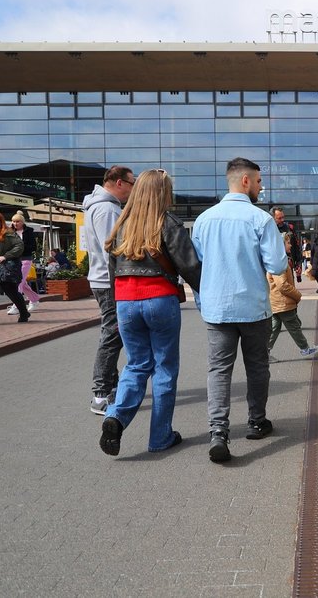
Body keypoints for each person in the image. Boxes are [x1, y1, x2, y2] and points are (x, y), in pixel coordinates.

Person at [98, 168, 201, 456]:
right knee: (164, 367)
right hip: (159, 298)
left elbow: (112, 271)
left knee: (136, 364)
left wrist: (115, 308)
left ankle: (116, 416)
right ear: (163, 192)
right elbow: (190, 266)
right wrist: (207, 293)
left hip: (125, 302)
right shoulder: (168, 222)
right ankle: (160, 437)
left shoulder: (122, 223)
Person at [192, 157, 287, 464]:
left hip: (217, 309)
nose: (261, 187)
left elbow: (197, 265)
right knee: (257, 366)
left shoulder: (204, 220)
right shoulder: (260, 220)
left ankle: (218, 432)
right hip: (253, 307)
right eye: (258, 181)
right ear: (245, 181)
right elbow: (277, 265)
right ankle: (257, 422)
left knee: (219, 370)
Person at [82, 165, 136, 415]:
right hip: (108, 281)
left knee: (112, 333)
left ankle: (110, 387)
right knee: (112, 335)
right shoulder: (107, 209)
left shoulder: (99, 206)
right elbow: (112, 252)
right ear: (118, 182)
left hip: (102, 279)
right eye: (131, 183)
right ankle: (101, 394)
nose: (133, 189)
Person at [267, 232, 318, 363]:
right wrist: (297, 295)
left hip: (277, 301)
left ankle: (263, 352)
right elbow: (282, 285)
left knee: (275, 328)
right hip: (283, 302)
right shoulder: (279, 261)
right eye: (288, 243)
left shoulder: (277, 259)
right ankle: (305, 348)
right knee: (294, 326)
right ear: (280, 245)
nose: (290, 245)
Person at [7, 213, 41, 316]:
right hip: (13, 260)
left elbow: (33, 246)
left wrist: (21, 248)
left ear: (22, 222)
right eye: (13, 221)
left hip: (26, 259)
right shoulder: (9, 232)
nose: (15, 223)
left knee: (19, 282)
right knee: (23, 283)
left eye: (17, 221)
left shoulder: (29, 231)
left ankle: (16, 305)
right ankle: (34, 299)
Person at [271, 207, 302, 282]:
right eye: (279, 218)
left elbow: (296, 247)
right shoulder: (268, 230)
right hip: (274, 267)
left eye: (283, 217)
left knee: (290, 286)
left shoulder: (290, 228)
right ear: (273, 218)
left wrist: (298, 264)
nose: (282, 220)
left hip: (289, 265)